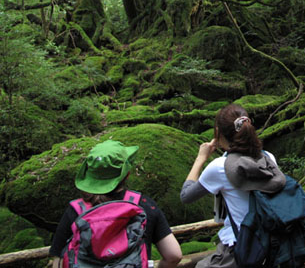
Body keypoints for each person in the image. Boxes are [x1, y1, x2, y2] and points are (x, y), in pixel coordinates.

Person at [181, 104, 286, 268]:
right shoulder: (268, 158)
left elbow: (186, 196)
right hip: (273, 241)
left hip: (241, 245)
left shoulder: (220, 167)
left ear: (218, 133)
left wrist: (200, 158)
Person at [50, 140, 182, 268]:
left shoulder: (76, 210)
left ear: (89, 174)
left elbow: (57, 261)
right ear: (126, 175)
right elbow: (174, 255)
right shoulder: (143, 205)